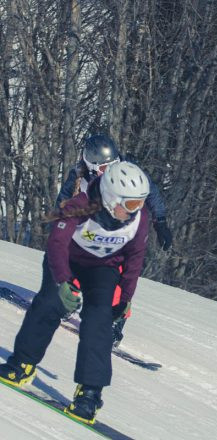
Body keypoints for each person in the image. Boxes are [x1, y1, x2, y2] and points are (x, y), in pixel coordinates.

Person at [0, 161, 150, 424]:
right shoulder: (79, 206)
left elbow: (135, 257)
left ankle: (90, 393)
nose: (135, 211)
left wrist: (125, 297)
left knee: (99, 320)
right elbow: (57, 244)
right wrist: (62, 282)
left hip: (104, 268)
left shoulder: (139, 219)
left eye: (139, 203)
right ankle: (21, 365)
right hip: (66, 259)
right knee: (48, 304)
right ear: (111, 196)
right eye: (130, 204)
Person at [58, 134, 172, 345]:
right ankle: (65, 302)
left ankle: (113, 323)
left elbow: (151, 192)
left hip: (122, 233)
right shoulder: (79, 178)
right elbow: (63, 205)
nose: (109, 172)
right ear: (91, 166)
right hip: (90, 231)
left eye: (114, 165)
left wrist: (161, 221)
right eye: (103, 169)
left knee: (119, 276)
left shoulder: (127, 171)